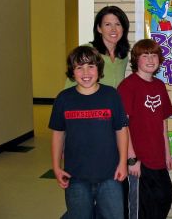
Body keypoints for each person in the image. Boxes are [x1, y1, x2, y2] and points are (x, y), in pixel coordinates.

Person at [49, 46, 129, 219]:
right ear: (72, 72)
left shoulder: (111, 95)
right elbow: (58, 133)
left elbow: (121, 130)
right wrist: (56, 166)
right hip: (76, 176)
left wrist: (123, 162)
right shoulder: (63, 99)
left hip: (110, 175)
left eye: (91, 66)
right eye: (79, 67)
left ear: (99, 69)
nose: (86, 72)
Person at [117, 39, 172, 219]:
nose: (150, 59)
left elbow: (162, 123)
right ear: (136, 59)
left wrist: (167, 153)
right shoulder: (127, 86)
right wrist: (132, 159)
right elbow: (122, 126)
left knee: (164, 198)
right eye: (145, 55)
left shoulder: (159, 85)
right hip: (139, 161)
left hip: (158, 158)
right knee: (141, 210)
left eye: (154, 54)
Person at [65, 5, 130, 89]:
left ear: (123, 28)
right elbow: (70, 86)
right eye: (107, 24)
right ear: (99, 28)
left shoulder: (123, 56)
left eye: (118, 24)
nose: (113, 29)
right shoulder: (86, 52)